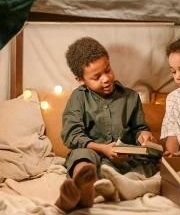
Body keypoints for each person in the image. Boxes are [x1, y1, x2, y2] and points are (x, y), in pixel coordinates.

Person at [55, 37, 159, 212]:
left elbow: (138, 128)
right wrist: (102, 148)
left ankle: (95, 191)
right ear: (81, 79)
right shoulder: (79, 97)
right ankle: (83, 183)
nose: (106, 79)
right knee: (81, 155)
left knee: (146, 164)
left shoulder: (131, 97)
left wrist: (143, 135)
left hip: (123, 159)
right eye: (96, 77)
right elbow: (72, 135)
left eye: (108, 70)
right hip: (93, 155)